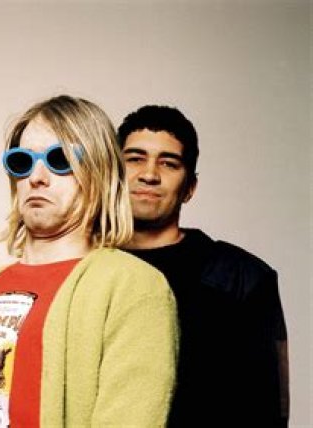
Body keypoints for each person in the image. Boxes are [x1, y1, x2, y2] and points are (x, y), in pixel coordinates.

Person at [0, 95, 178, 426]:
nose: (36, 177)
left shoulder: (134, 287)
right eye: (22, 162)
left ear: (99, 171)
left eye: (59, 159)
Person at [118, 105, 289, 427]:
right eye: (135, 159)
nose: (149, 174)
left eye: (169, 163)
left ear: (190, 188)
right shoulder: (82, 269)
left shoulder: (241, 277)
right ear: (111, 174)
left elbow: (270, 410)